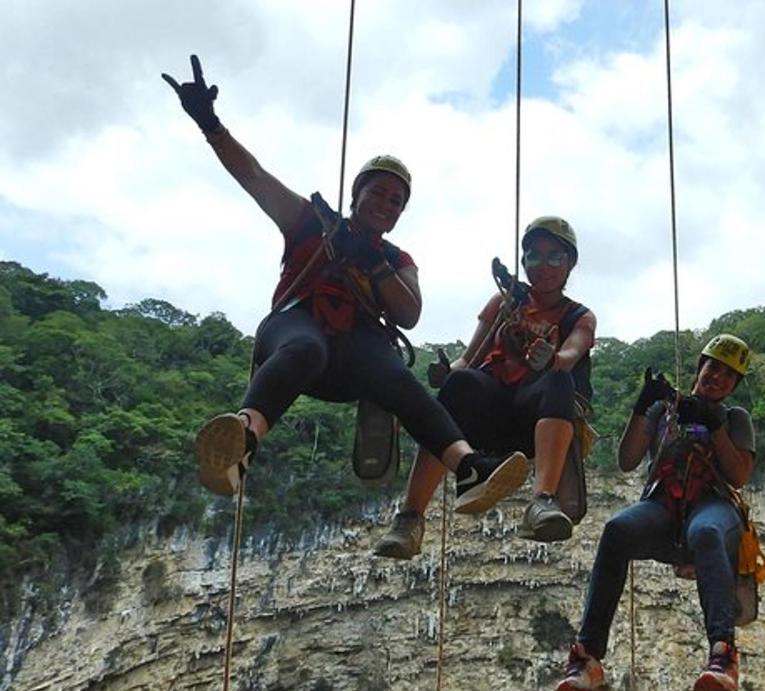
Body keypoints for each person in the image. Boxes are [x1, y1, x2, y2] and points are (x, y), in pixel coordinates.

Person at [162, 55, 528, 513]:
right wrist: (211, 125)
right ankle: (241, 440)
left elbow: (408, 314)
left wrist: (372, 263)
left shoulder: (396, 259)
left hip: (356, 349)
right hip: (298, 322)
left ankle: (469, 468)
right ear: (356, 195)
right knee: (305, 348)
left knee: (396, 377)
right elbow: (255, 177)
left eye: (395, 200)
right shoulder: (310, 222)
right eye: (376, 192)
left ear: (399, 215)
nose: (385, 203)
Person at [372, 216, 597, 559]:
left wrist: (552, 357)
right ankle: (410, 518)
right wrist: (446, 375)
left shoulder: (578, 316)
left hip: (534, 416)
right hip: (490, 412)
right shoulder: (504, 303)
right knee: (460, 383)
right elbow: (469, 359)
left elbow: (569, 355)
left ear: (569, 264)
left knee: (558, 378)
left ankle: (543, 501)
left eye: (555, 257)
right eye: (535, 256)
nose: (545, 266)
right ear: (524, 263)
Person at [553, 334, 755, 691]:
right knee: (616, 531)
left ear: (735, 385)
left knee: (708, 532)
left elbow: (739, 475)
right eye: (713, 368)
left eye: (729, 376)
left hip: (712, 504)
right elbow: (627, 460)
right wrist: (642, 407)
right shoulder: (665, 410)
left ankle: (723, 656)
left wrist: (716, 428)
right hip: (663, 505)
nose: (718, 378)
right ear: (700, 367)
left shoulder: (734, 418)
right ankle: (587, 657)